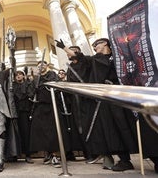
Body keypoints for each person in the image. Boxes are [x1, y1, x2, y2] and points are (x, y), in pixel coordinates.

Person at [55, 38, 138, 171]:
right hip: (104, 99)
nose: (94, 47)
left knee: (126, 126)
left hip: (120, 96)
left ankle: (150, 155)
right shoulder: (94, 60)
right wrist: (64, 47)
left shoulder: (118, 57)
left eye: (96, 45)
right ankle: (124, 160)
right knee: (111, 129)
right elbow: (78, 56)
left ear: (105, 43)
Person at [29, 61, 61, 168]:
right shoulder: (36, 79)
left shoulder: (52, 74)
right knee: (41, 131)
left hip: (51, 106)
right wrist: (34, 85)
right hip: (40, 106)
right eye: (38, 66)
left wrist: (41, 84)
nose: (40, 67)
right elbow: (31, 92)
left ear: (47, 66)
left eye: (42, 65)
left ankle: (55, 155)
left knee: (52, 131)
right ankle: (47, 154)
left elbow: (55, 85)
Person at [13, 69, 35, 163]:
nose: (18, 76)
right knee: (15, 134)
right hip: (15, 112)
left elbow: (30, 94)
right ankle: (14, 154)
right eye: (17, 74)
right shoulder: (13, 85)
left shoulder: (27, 84)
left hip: (25, 111)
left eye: (20, 74)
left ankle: (27, 155)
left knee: (26, 133)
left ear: (23, 76)